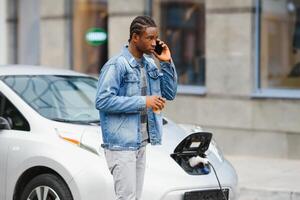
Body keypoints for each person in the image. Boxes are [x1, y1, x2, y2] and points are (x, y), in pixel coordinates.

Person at [95, 15, 177, 200]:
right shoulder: (117, 65)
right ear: (135, 37)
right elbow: (102, 101)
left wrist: (166, 62)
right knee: (127, 198)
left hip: (141, 142)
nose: (154, 42)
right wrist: (143, 101)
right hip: (122, 145)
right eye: (149, 38)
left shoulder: (149, 64)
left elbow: (170, 93)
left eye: (156, 38)